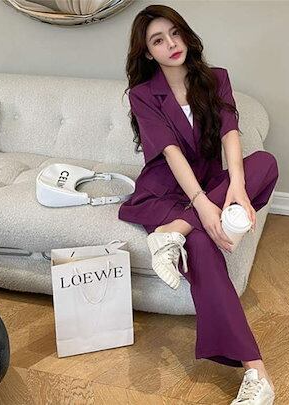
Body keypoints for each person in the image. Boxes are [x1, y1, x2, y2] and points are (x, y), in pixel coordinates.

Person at [118, 5, 278, 404]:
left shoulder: (216, 79)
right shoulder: (143, 95)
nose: (171, 44)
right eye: (158, 40)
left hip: (209, 185)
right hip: (165, 191)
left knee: (265, 163)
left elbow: (230, 133)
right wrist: (203, 208)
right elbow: (170, 153)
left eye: (175, 33)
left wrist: (236, 185)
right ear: (147, 53)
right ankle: (256, 373)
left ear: (186, 34)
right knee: (204, 245)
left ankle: (174, 232)